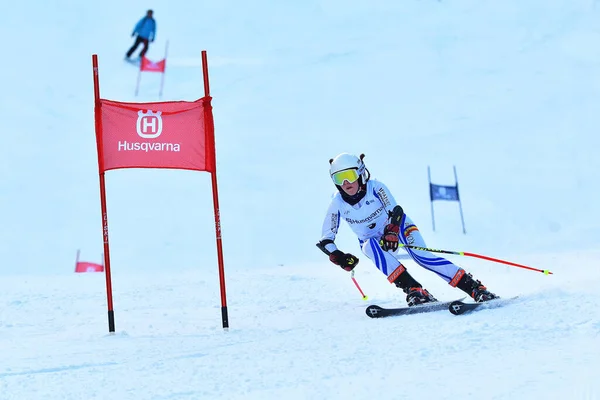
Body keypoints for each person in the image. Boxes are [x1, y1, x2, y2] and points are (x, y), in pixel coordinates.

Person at [316, 153, 498, 306]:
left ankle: (474, 288)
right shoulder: (336, 203)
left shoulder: (375, 187)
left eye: (349, 175)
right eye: (339, 178)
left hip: (398, 227)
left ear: (361, 173)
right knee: (369, 246)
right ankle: (414, 290)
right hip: (372, 239)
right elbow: (326, 240)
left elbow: (395, 211)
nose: (346, 182)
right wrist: (339, 257)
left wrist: (392, 231)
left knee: (423, 257)